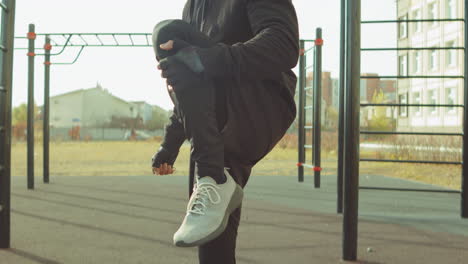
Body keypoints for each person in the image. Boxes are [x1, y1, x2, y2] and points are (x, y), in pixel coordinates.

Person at [151, 0, 299, 263]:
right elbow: (192, 88)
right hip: (215, 121)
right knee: (211, 235)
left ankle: (212, 176)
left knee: (170, 34)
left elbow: (283, 44)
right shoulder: (194, 6)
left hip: (260, 104)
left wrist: (201, 59)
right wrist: (170, 144)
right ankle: (214, 179)